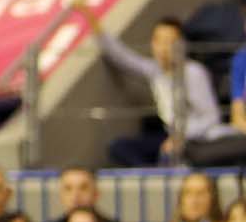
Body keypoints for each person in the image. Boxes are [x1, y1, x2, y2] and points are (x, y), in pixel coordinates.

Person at [84, 11, 230, 164]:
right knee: (118, 147)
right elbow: (123, 58)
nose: (163, 48)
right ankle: (151, 176)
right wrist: (93, 22)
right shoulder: (155, 70)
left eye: (169, 41)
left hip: (198, 138)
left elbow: (211, 117)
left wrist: (182, 137)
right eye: (158, 41)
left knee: (169, 155)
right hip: (170, 135)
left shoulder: (193, 72)